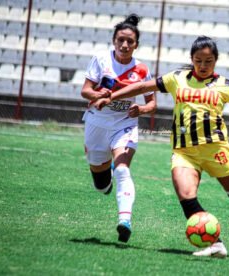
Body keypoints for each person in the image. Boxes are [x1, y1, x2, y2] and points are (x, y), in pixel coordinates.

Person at [94, 36, 229, 256]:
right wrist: (111, 95)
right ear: (192, 59)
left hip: (216, 150)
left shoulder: (225, 85)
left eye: (208, 61)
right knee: (186, 194)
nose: (203, 65)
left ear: (215, 61)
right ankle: (216, 244)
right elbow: (141, 86)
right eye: (199, 60)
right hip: (184, 153)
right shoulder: (176, 78)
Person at [81, 14, 156, 243]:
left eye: (130, 41)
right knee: (101, 186)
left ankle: (125, 220)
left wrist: (141, 110)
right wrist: (98, 95)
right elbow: (85, 91)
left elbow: (152, 103)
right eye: (121, 40)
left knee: (122, 169)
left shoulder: (142, 70)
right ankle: (106, 180)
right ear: (114, 41)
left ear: (136, 45)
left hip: (124, 125)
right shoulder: (101, 59)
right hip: (96, 123)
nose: (125, 45)